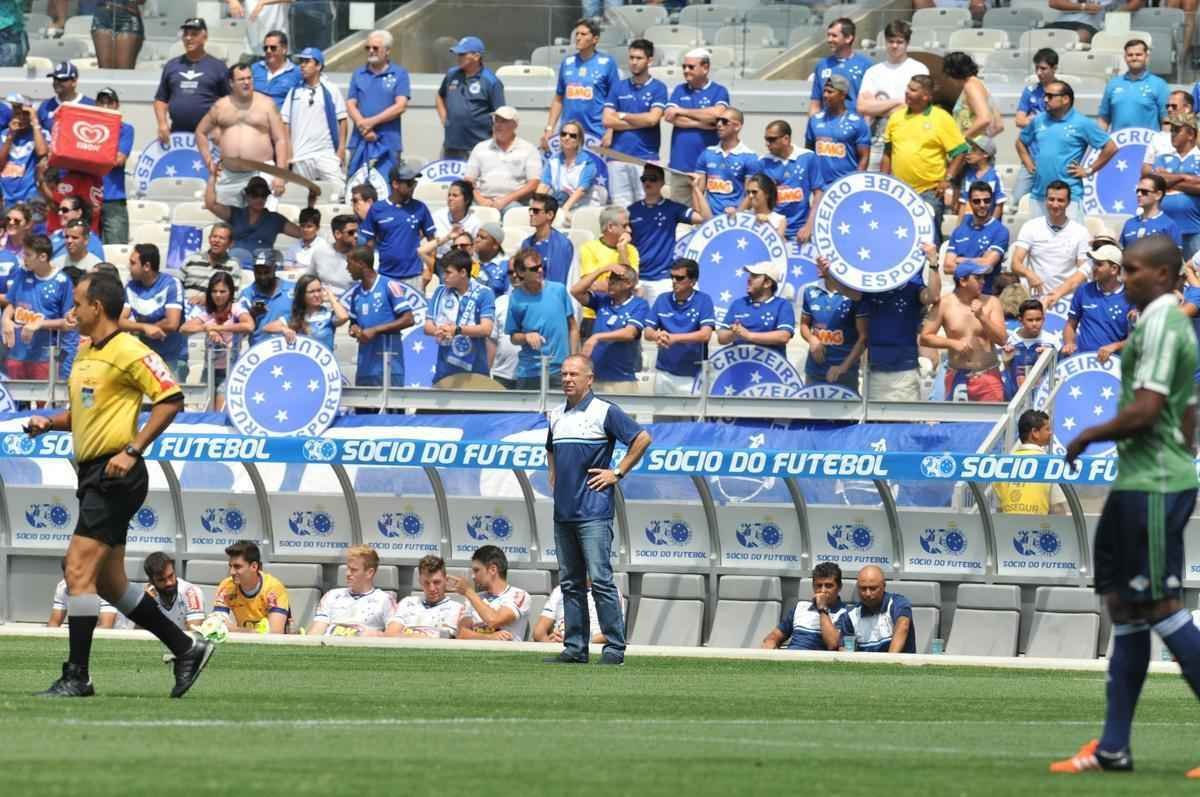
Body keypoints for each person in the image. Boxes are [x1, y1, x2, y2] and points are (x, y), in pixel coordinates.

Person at [1050, 234, 1200, 776]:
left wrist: (1087, 433)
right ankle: (1113, 747)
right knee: (1123, 606)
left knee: (1159, 604)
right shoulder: (1155, 322)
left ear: (1162, 275)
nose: (1124, 278)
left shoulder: (1163, 321)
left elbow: (1147, 408)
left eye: (1133, 270)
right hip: (1138, 480)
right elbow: (1186, 411)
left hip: (1156, 485)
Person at [26, 270, 206, 698]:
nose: (72, 310)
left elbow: (171, 399)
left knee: (77, 568)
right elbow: (82, 413)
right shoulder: (86, 351)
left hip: (117, 473)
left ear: (97, 307)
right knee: (108, 583)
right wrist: (48, 422)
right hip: (92, 473)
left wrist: (134, 449)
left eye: (77, 303)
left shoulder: (130, 349)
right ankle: (185, 647)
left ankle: (77, 675)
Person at [544, 354, 650, 663]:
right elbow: (551, 450)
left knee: (601, 579)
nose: (567, 379)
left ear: (589, 379)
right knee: (570, 583)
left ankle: (614, 648)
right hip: (563, 513)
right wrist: (553, 474)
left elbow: (642, 438)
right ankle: (575, 648)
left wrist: (617, 472)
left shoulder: (605, 411)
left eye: (574, 374)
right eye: (563, 374)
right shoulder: (554, 415)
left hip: (593, 511)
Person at [881, 75, 967, 241]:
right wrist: (884, 180)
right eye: (907, 87)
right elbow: (887, 153)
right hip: (899, 190)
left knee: (929, 238)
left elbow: (960, 151)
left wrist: (947, 179)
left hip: (930, 192)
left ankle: (933, 266)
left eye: (913, 90)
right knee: (899, 237)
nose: (907, 92)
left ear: (926, 96)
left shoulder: (941, 118)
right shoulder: (895, 118)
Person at [1016, 80, 1116, 224]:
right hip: (1039, 195)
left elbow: (1111, 147)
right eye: (1045, 95)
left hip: (1069, 198)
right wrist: (1028, 162)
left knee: (1070, 243)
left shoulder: (1082, 123)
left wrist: (1088, 170)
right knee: (1039, 243)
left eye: (1050, 96)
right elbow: (1020, 142)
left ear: (1065, 99)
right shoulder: (1038, 120)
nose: (1045, 99)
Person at [194, 63, 291, 208]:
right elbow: (200, 132)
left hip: (261, 172)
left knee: (262, 223)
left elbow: (280, 139)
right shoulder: (221, 106)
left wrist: (280, 174)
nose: (246, 82)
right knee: (228, 225)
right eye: (241, 79)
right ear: (231, 83)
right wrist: (209, 163)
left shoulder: (266, 104)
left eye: (249, 78)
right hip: (229, 175)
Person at [860, 246, 942, 401]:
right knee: (874, 424)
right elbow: (850, 292)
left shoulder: (912, 282)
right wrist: (832, 270)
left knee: (906, 423)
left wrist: (933, 262)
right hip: (875, 368)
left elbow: (933, 296)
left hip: (905, 371)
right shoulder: (870, 281)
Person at [920, 261, 1008, 402]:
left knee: (991, 422)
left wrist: (982, 317)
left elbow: (1002, 339)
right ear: (963, 281)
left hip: (987, 375)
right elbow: (925, 337)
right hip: (956, 375)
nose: (983, 281)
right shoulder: (944, 304)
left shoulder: (992, 302)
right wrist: (952, 343)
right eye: (978, 278)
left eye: (983, 277)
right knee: (952, 422)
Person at [602, 38, 668, 206]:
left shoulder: (658, 88)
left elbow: (653, 119)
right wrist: (641, 120)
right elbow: (607, 120)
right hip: (617, 157)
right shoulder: (618, 86)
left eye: (639, 58)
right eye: (631, 58)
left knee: (647, 207)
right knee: (620, 210)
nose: (634, 62)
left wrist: (623, 115)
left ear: (649, 61)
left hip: (645, 158)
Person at [855, 20, 928, 169]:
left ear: (907, 43)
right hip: (877, 140)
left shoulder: (918, 69)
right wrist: (897, 102)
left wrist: (877, 106)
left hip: (908, 138)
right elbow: (862, 106)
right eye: (891, 41)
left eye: (899, 42)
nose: (894, 46)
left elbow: (917, 107)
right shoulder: (873, 71)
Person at [541, 18, 619, 151]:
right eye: (577, 34)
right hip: (569, 134)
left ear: (595, 39)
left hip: (596, 134)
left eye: (583, 34)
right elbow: (558, 99)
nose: (578, 37)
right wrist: (549, 128)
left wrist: (611, 130)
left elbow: (616, 100)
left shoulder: (607, 63)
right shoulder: (567, 63)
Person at [1011, 180, 1092, 308]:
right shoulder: (1031, 226)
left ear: (1068, 203)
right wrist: (1030, 274)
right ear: (1045, 200)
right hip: (1035, 300)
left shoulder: (1080, 232)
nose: (1055, 205)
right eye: (1051, 199)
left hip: (1066, 300)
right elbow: (1015, 263)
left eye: (1060, 200)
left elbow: (1083, 270)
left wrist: (1059, 292)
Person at [344, 245, 416, 388]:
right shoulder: (356, 293)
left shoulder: (389, 285)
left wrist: (375, 330)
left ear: (361, 264)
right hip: (365, 366)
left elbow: (409, 319)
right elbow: (353, 323)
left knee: (391, 409)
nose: (347, 268)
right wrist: (355, 329)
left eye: (349, 264)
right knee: (364, 409)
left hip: (389, 364)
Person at [628, 163, 700, 306]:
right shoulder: (632, 210)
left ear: (662, 182)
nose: (647, 182)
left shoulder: (672, 208)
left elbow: (701, 217)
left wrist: (695, 188)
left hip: (662, 279)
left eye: (652, 179)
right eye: (644, 179)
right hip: (637, 279)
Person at [179, 272, 253, 410]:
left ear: (230, 292)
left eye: (222, 291)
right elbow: (184, 328)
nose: (218, 295)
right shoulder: (208, 312)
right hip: (209, 370)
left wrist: (218, 327)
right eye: (214, 291)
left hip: (230, 370)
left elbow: (249, 325)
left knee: (220, 411)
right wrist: (207, 329)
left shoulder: (236, 309)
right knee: (205, 412)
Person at [2, 234, 72, 380]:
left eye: (28, 255)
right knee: (16, 400)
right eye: (23, 253)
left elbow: (68, 323)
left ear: (42, 257)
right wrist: (6, 319)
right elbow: (12, 303)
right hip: (16, 353)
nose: (23, 258)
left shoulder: (63, 282)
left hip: (45, 357)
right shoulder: (22, 273)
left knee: (44, 402)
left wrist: (39, 324)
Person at [507, 247, 578, 389]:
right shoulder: (516, 298)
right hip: (529, 373)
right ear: (521, 272)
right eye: (534, 269)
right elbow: (513, 337)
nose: (540, 270)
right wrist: (527, 336)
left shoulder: (559, 290)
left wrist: (573, 361)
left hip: (560, 372)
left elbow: (573, 328)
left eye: (541, 266)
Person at [664, 49, 730, 202]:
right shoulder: (679, 90)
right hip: (680, 166)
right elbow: (670, 117)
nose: (686, 70)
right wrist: (702, 123)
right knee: (681, 216)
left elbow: (717, 114)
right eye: (684, 67)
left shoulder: (719, 91)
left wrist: (682, 110)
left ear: (705, 68)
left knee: (706, 215)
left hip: (710, 168)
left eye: (691, 67)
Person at [571, 263, 648, 392]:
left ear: (629, 284)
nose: (611, 282)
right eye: (610, 278)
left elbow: (630, 333)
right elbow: (576, 291)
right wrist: (602, 269)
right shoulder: (603, 301)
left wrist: (597, 337)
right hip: (595, 378)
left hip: (622, 380)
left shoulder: (639, 305)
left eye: (616, 279)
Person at [644, 257, 715, 395]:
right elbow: (648, 332)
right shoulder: (662, 299)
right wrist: (658, 335)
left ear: (693, 281)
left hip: (694, 375)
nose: (674, 281)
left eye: (680, 278)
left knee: (691, 417)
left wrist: (674, 338)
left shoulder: (704, 300)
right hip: (664, 373)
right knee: (661, 417)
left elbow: (706, 335)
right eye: (672, 277)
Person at [424, 248, 495, 385]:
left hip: (475, 372)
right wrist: (440, 331)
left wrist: (456, 330)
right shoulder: (440, 291)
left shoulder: (484, 293)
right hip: (444, 372)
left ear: (463, 272)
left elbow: (486, 329)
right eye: (443, 272)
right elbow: (427, 326)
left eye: (448, 272)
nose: (444, 276)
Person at [346, 29, 410, 181]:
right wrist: (363, 126)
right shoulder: (358, 74)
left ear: (387, 51)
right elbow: (350, 103)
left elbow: (400, 106)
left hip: (388, 142)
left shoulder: (400, 74)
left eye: (375, 48)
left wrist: (371, 122)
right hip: (360, 140)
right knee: (356, 186)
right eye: (368, 48)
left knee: (386, 186)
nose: (371, 51)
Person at [361, 165, 436, 290]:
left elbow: (432, 241)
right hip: (385, 276)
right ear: (395, 184)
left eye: (414, 183)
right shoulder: (377, 209)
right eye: (409, 183)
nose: (413, 186)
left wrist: (430, 270)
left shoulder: (420, 208)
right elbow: (369, 245)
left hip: (415, 276)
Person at [153, 18, 229, 142]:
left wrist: (220, 126)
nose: (188, 38)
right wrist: (162, 124)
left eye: (194, 34)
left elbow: (229, 102)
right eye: (186, 34)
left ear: (204, 37)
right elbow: (161, 99)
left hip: (208, 135)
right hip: (178, 134)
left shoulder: (218, 67)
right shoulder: (172, 65)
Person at [120, 244, 187, 382]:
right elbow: (120, 321)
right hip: (145, 357)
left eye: (133, 263)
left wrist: (138, 327)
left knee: (170, 402)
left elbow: (172, 323)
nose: (128, 267)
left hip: (172, 358)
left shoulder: (172, 284)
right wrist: (145, 328)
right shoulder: (131, 287)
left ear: (146, 266)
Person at [205, 172, 302, 268]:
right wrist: (212, 177)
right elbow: (211, 205)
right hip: (236, 267)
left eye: (263, 195)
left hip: (262, 271)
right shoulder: (235, 213)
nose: (259, 199)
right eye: (255, 195)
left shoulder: (275, 219)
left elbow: (302, 233)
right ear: (247, 196)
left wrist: (310, 204)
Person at [281, 47, 348, 184]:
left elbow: (343, 120)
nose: (302, 65)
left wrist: (341, 149)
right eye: (301, 61)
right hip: (300, 156)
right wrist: (289, 152)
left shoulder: (331, 89)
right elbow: (285, 123)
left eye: (307, 61)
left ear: (318, 66)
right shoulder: (294, 91)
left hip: (326, 154)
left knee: (340, 190)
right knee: (302, 197)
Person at [801, 257, 866, 391]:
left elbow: (864, 337)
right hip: (814, 371)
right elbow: (804, 325)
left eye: (824, 260)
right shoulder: (810, 290)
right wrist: (811, 339)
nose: (818, 261)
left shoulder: (856, 294)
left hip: (845, 374)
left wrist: (843, 367)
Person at [437, 36, 505, 160]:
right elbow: (440, 96)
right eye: (457, 54)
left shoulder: (491, 81)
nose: (458, 57)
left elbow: (501, 116)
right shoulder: (452, 74)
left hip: (478, 147)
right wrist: (445, 119)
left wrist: (495, 145)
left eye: (462, 54)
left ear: (476, 56)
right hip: (452, 146)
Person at [1142, 112, 1200, 259]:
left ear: (1191, 134)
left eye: (1177, 130)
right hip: (1163, 228)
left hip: (1194, 229)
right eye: (1172, 130)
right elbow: (1157, 182)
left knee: (1195, 275)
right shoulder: (1163, 157)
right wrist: (1184, 177)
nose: (1172, 134)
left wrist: (1170, 181)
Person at [1063, 241, 1133, 361]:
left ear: (1114, 269)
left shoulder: (1131, 296)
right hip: (1083, 363)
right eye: (1094, 263)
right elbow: (1070, 325)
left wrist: (1115, 346)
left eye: (1099, 264)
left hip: (1114, 367)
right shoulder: (1083, 290)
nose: (1094, 268)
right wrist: (1069, 343)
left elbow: (1136, 338)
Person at [761, 562, 853, 651]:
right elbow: (775, 635)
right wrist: (771, 641)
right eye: (819, 586)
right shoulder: (801, 607)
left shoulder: (846, 613)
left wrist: (822, 609)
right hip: (790, 658)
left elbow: (833, 645)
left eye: (828, 586)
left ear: (839, 587)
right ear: (813, 586)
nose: (823, 590)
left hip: (817, 663)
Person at [306, 545, 395, 637]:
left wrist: (374, 635)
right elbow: (316, 630)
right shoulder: (331, 595)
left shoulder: (385, 599)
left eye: (354, 570)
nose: (347, 573)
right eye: (347, 568)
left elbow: (394, 635)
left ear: (369, 573)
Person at [993, 408, 1068, 515]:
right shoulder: (1049, 464)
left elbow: (999, 510)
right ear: (1035, 433)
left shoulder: (1003, 465)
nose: (1051, 433)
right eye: (1047, 429)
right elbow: (1058, 509)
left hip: (1007, 528)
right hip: (1038, 529)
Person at [465, 106, 541, 211]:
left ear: (515, 125)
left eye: (504, 121)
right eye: (496, 121)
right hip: (483, 201)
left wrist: (506, 199)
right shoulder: (480, 148)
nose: (498, 125)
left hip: (514, 202)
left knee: (514, 211)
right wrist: (481, 200)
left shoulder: (529, 149)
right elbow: (468, 180)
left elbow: (533, 183)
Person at [449, 545, 532, 641]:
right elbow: (461, 634)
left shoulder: (519, 595)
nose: (473, 576)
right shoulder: (473, 598)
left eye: (477, 570)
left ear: (493, 570)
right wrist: (488, 637)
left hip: (506, 653)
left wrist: (468, 591)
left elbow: (494, 620)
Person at [578, 205, 639, 335]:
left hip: (625, 313)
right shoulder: (589, 248)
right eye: (625, 226)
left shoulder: (631, 250)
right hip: (594, 315)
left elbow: (631, 283)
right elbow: (590, 285)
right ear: (610, 227)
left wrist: (622, 249)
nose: (629, 230)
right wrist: (621, 286)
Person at [691, 106, 761, 219]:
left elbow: (750, 195)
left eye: (724, 121)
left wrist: (737, 215)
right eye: (717, 120)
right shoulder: (707, 153)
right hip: (708, 220)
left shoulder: (750, 157)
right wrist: (700, 216)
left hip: (735, 220)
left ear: (737, 126)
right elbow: (697, 190)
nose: (719, 124)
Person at [759, 120, 822, 245]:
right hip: (772, 231)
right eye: (766, 139)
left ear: (786, 139)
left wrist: (809, 227)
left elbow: (818, 193)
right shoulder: (763, 162)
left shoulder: (808, 157)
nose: (767, 144)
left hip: (800, 232)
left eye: (772, 139)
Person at [805, 74, 870, 189]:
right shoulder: (815, 120)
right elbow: (808, 152)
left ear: (842, 95)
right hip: (820, 188)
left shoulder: (857, 122)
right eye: (824, 91)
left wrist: (856, 183)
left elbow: (864, 156)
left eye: (830, 92)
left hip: (846, 187)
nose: (825, 95)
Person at [945, 181, 1010, 296]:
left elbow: (986, 265)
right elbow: (947, 266)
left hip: (986, 294)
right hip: (959, 295)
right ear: (969, 202)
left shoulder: (1000, 231)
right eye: (976, 201)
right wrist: (978, 261)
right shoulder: (959, 230)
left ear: (993, 200)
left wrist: (960, 260)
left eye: (987, 200)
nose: (982, 205)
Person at [716, 262, 795, 356]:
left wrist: (749, 335)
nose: (748, 279)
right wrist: (735, 333)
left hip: (770, 368)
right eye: (749, 275)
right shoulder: (738, 304)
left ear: (767, 283)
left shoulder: (782, 305)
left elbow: (783, 337)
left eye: (754, 276)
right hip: (739, 367)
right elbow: (721, 338)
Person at [1012, 49, 1059, 207]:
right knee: (1017, 201)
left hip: (1053, 159)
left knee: (1051, 202)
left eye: (1044, 68)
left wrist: (1033, 119)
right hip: (1030, 158)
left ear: (1054, 68)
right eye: (1037, 68)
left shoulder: (1062, 91)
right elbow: (1019, 120)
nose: (1039, 72)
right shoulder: (1030, 91)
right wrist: (1042, 120)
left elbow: (1059, 121)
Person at [213, 539, 291, 634]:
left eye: (237, 567)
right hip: (243, 643)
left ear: (254, 566)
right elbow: (217, 624)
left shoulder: (273, 588)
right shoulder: (226, 586)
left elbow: (275, 633)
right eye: (231, 566)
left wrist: (234, 629)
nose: (232, 572)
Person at [538, 119, 608, 216]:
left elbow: (580, 191)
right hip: (561, 204)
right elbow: (543, 186)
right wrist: (536, 206)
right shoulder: (553, 161)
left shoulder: (588, 163)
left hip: (583, 208)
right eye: (564, 134)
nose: (567, 137)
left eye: (572, 136)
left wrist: (563, 210)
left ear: (579, 140)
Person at [264, 273, 348, 353]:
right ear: (302, 295)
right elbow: (267, 327)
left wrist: (331, 297)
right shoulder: (294, 316)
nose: (316, 295)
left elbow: (343, 317)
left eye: (319, 290)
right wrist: (284, 329)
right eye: (311, 292)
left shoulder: (328, 315)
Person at [385, 554, 465, 639]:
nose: (432, 588)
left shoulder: (456, 608)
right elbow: (390, 634)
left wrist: (408, 636)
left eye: (436, 582)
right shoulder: (407, 602)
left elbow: (446, 638)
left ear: (446, 580)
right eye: (427, 583)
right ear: (420, 581)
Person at [92, 88, 134, 246]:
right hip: (89, 196)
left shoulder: (126, 129)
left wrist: (90, 151)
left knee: (116, 249)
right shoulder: (87, 128)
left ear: (116, 105)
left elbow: (119, 160)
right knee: (88, 248)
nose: (105, 106)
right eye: (101, 102)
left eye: (109, 102)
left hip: (113, 199)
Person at [1099, 39, 1169, 132]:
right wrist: (1098, 144)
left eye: (1138, 55)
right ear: (1125, 57)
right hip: (1119, 144)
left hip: (1149, 145)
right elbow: (1103, 119)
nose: (1134, 58)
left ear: (1146, 57)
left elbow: (1166, 120)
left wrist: (1164, 143)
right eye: (1130, 55)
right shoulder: (1113, 84)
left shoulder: (1159, 84)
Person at [809, 18, 873, 118]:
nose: (829, 40)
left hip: (854, 128)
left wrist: (864, 130)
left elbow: (869, 106)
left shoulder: (865, 65)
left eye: (834, 36)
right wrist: (813, 128)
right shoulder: (822, 65)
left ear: (848, 38)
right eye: (828, 35)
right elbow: (815, 104)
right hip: (827, 128)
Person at [847, 565, 915, 654]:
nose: (867, 593)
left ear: (884, 586)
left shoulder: (898, 603)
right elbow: (844, 647)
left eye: (873, 588)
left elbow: (903, 625)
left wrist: (888, 662)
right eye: (863, 588)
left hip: (899, 665)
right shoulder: (851, 615)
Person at [943, 51, 1003, 150]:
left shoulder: (970, 86)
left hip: (971, 151)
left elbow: (985, 119)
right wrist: (985, 143)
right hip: (980, 152)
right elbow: (999, 125)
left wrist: (961, 141)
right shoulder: (980, 85)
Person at [237, 249, 296, 347]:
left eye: (266, 272)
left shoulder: (293, 289)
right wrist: (252, 314)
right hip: (260, 350)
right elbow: (240, 332)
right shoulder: (247, 293)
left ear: (275, 269)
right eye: (258, 272)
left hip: (289, 347)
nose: (262, 276)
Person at [47, 556, 125, 630]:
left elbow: (106, 626)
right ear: (65, 574)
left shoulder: (105, 587)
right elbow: (54, 623)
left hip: (117, 636)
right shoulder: (62, 587)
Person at [534, 579, 617, 645]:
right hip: (560, 644)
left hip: (593, 646)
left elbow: (614, 632)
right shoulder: (560, 590)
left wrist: (575, 641)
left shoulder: (611, 593)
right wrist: (550, 645)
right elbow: (539, 632)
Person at [1002, 299, 1058, 396]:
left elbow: (1056, 372)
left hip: (1041, 399)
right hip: (1014, 397)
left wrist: (1045, 358)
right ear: (1020, 320)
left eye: (1038, 319)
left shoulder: (1052, 341)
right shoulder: (1011, 339)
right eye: (1030, 320)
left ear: (1043, 319)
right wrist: (1007, 357)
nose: (1034, 324)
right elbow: (1007, 369)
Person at [0, 95, 46, 208]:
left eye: (25, 114)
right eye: (17, 114)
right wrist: (10, 136)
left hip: (30, 197)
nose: (21, 118)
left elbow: (42, 153)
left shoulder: (40, 134)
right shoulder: (4, 134)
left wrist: (35, 121)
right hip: (6, 197)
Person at [520, 193, 576, 285]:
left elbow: (558, 282)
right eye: (530, 210)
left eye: (535, 211)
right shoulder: (526, 243)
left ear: (549, 215)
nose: (531, 214)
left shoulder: (562, 244)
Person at [142, 552, 205, 632]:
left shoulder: (191, 592)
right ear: (151, 581)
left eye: (171, 576)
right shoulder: (149, 594)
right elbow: (137, 635)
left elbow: (195, 633)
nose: (169, 583)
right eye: (161, 580)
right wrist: (145, 605)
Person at [181, 223, 241, 301]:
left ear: (230, 244)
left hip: (213, 309)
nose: (216, 241)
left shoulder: (232, 266)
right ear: (209, 239)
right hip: (185, 305)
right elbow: (176, 287)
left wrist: (209, 300)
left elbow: (233, 297)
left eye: (221, 238)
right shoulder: (191, 260)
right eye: (214, 236)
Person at [1122, 174, 1183, 249]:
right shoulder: (1129, 223)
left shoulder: (1169, 225)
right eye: (1137, 191)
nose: (1139, 194)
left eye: (1144, 191)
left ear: (1158, 195)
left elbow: (1175, 257)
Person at [1044, 0, 1143, 44]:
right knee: (1036, 37)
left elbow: (1138, 2)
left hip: (1089, 26)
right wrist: (1084, 7)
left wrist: (1115, 13)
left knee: (1078, 37)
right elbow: (1054, 2)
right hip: (1060, 22)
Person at [37, 61, 95, 134]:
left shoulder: (90, 106)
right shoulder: (45, 106)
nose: (56, 82)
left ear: (74, 81)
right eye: (55, 78)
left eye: (62, 79)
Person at [250, 29, 302, 109]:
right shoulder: (254, 69)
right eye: (265, 48)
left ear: (284, 49)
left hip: (280, 119)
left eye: (273, 48)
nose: (268, 51)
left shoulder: (297, 73)